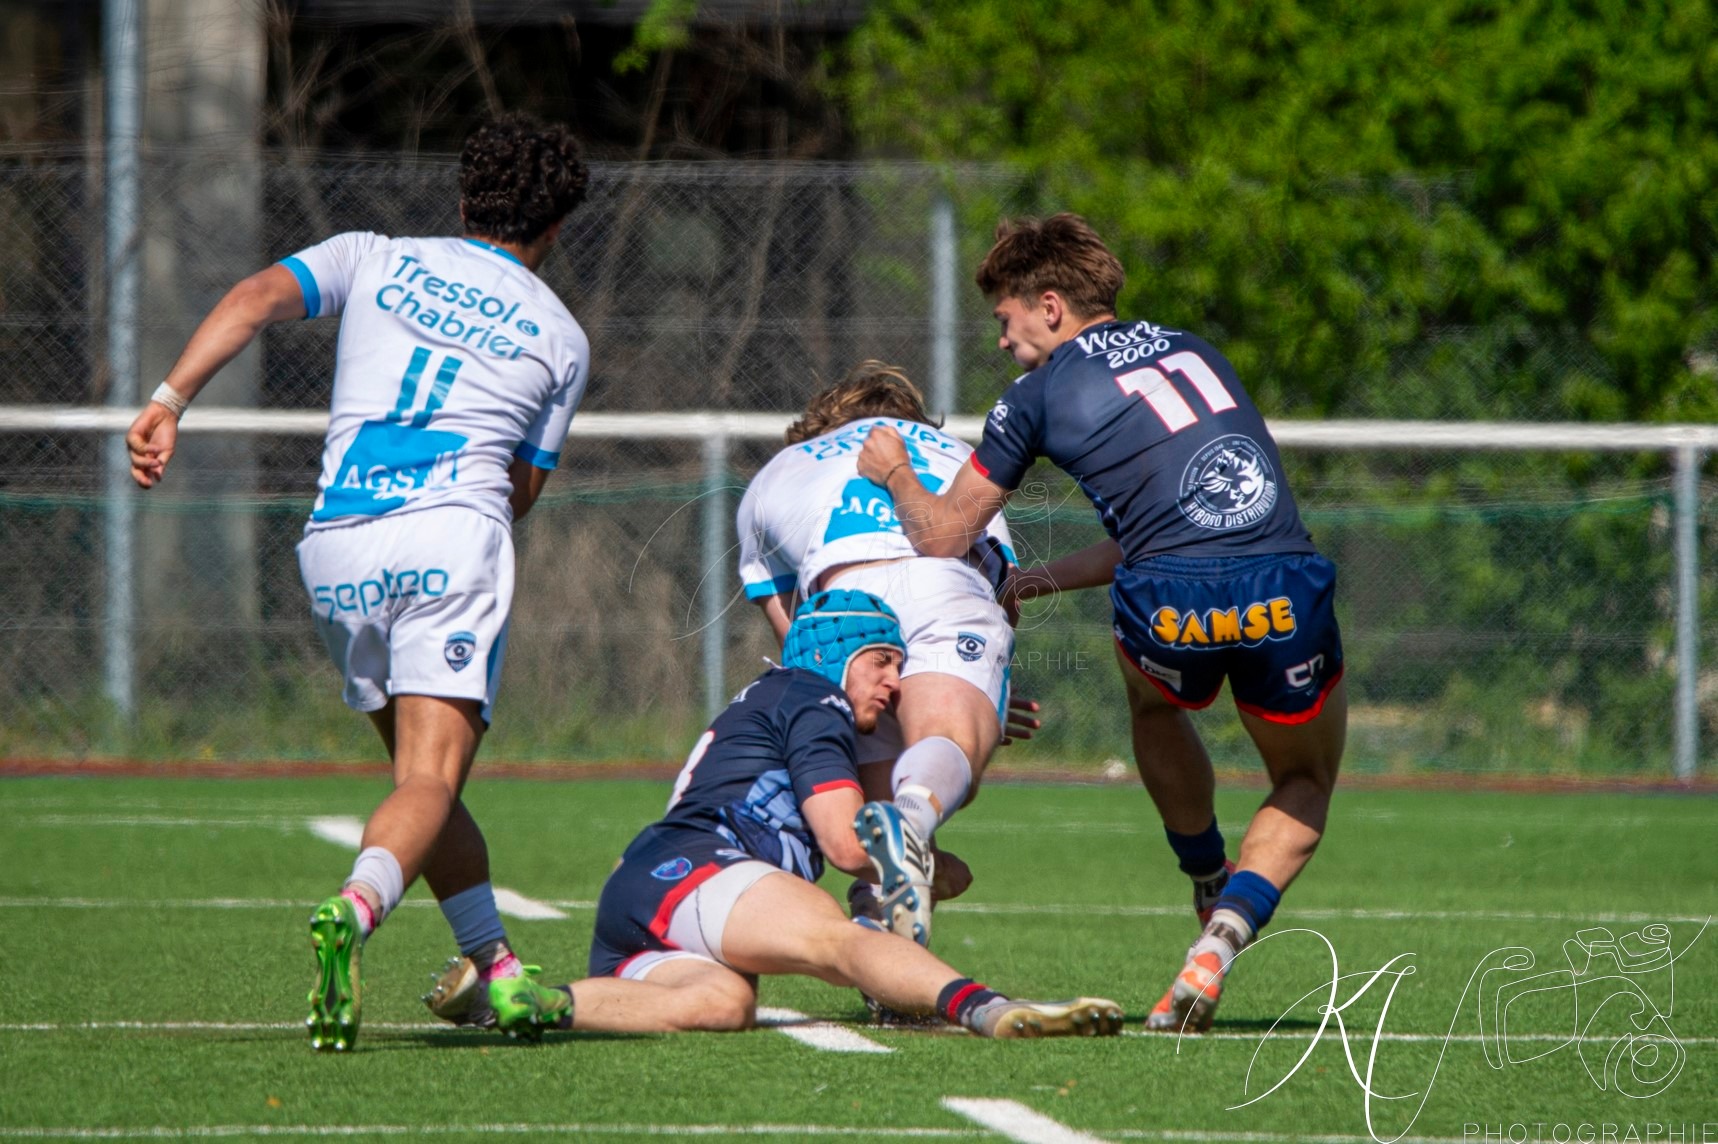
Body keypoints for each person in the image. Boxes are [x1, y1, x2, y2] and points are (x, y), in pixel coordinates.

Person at [124, 113, 593, 1051]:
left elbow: (256, 296)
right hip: (449, 538)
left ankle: (495, 965)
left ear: (464, 198)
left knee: (420, 780)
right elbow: (523, 489)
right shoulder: (562, 334)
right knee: (430, 774)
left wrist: (169, 400)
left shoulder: (372, 254)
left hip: (337, 544)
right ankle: (357, 907)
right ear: (553, 230)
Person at [854, 213, 1346, 1034]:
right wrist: (1035, 581)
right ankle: (1220, 940)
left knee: (1156, 708)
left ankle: (1202, 872)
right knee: (1304, 781)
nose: (1004, 345)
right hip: (1282, 583)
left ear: (1051, 306)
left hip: (1169, 603)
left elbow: (943, 535)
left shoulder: (1037, 394)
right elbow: (1189, 515)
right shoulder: (1198, 349)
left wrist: (895, 470)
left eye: (1006, 323)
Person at [455, 590, 1122, 1041]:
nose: (895, 683)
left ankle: (530, 1003)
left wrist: (928, 864)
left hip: (652, 896)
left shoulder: (788, 697)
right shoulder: (813, 697)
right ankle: (989, 1009)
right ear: (838, 653)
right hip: (691, 867)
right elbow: (846, 843)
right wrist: (922, 862)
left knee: (724, 1004)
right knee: (839, 943)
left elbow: (872, 841)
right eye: (883, 661)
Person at [733, 361, 1022, 948]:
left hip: (845, 601)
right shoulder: (951, 451)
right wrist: (980, 701)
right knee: (942, 764)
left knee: (878, 797)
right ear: (914, 421)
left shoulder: (778, 470)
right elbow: (1001, 590)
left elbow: (801, 639)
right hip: (946, 579)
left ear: (820, 425)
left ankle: (887, 958)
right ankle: (910, 825)